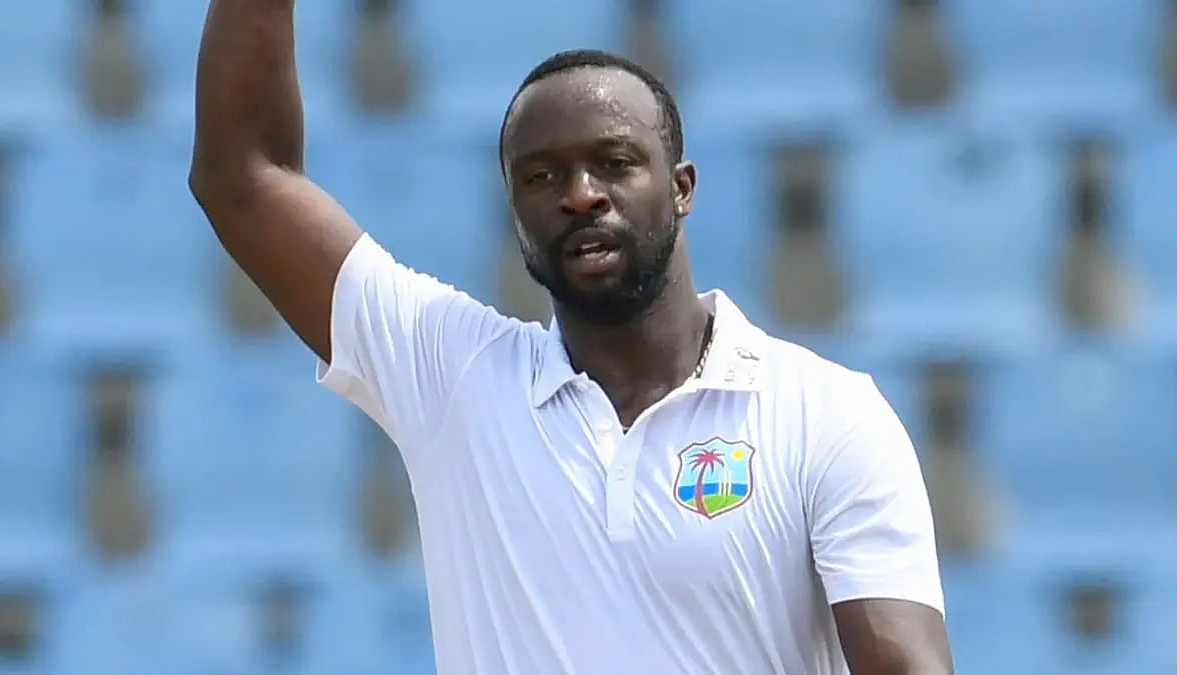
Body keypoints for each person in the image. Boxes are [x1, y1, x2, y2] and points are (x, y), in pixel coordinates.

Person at [188, 1, 955, 673]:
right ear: (513, 209)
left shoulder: (826, 414)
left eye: (615, 163)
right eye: (541, 176)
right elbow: (242, 177)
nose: (580, 195)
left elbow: (904, 663)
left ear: (682, 187)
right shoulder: (453, 378)